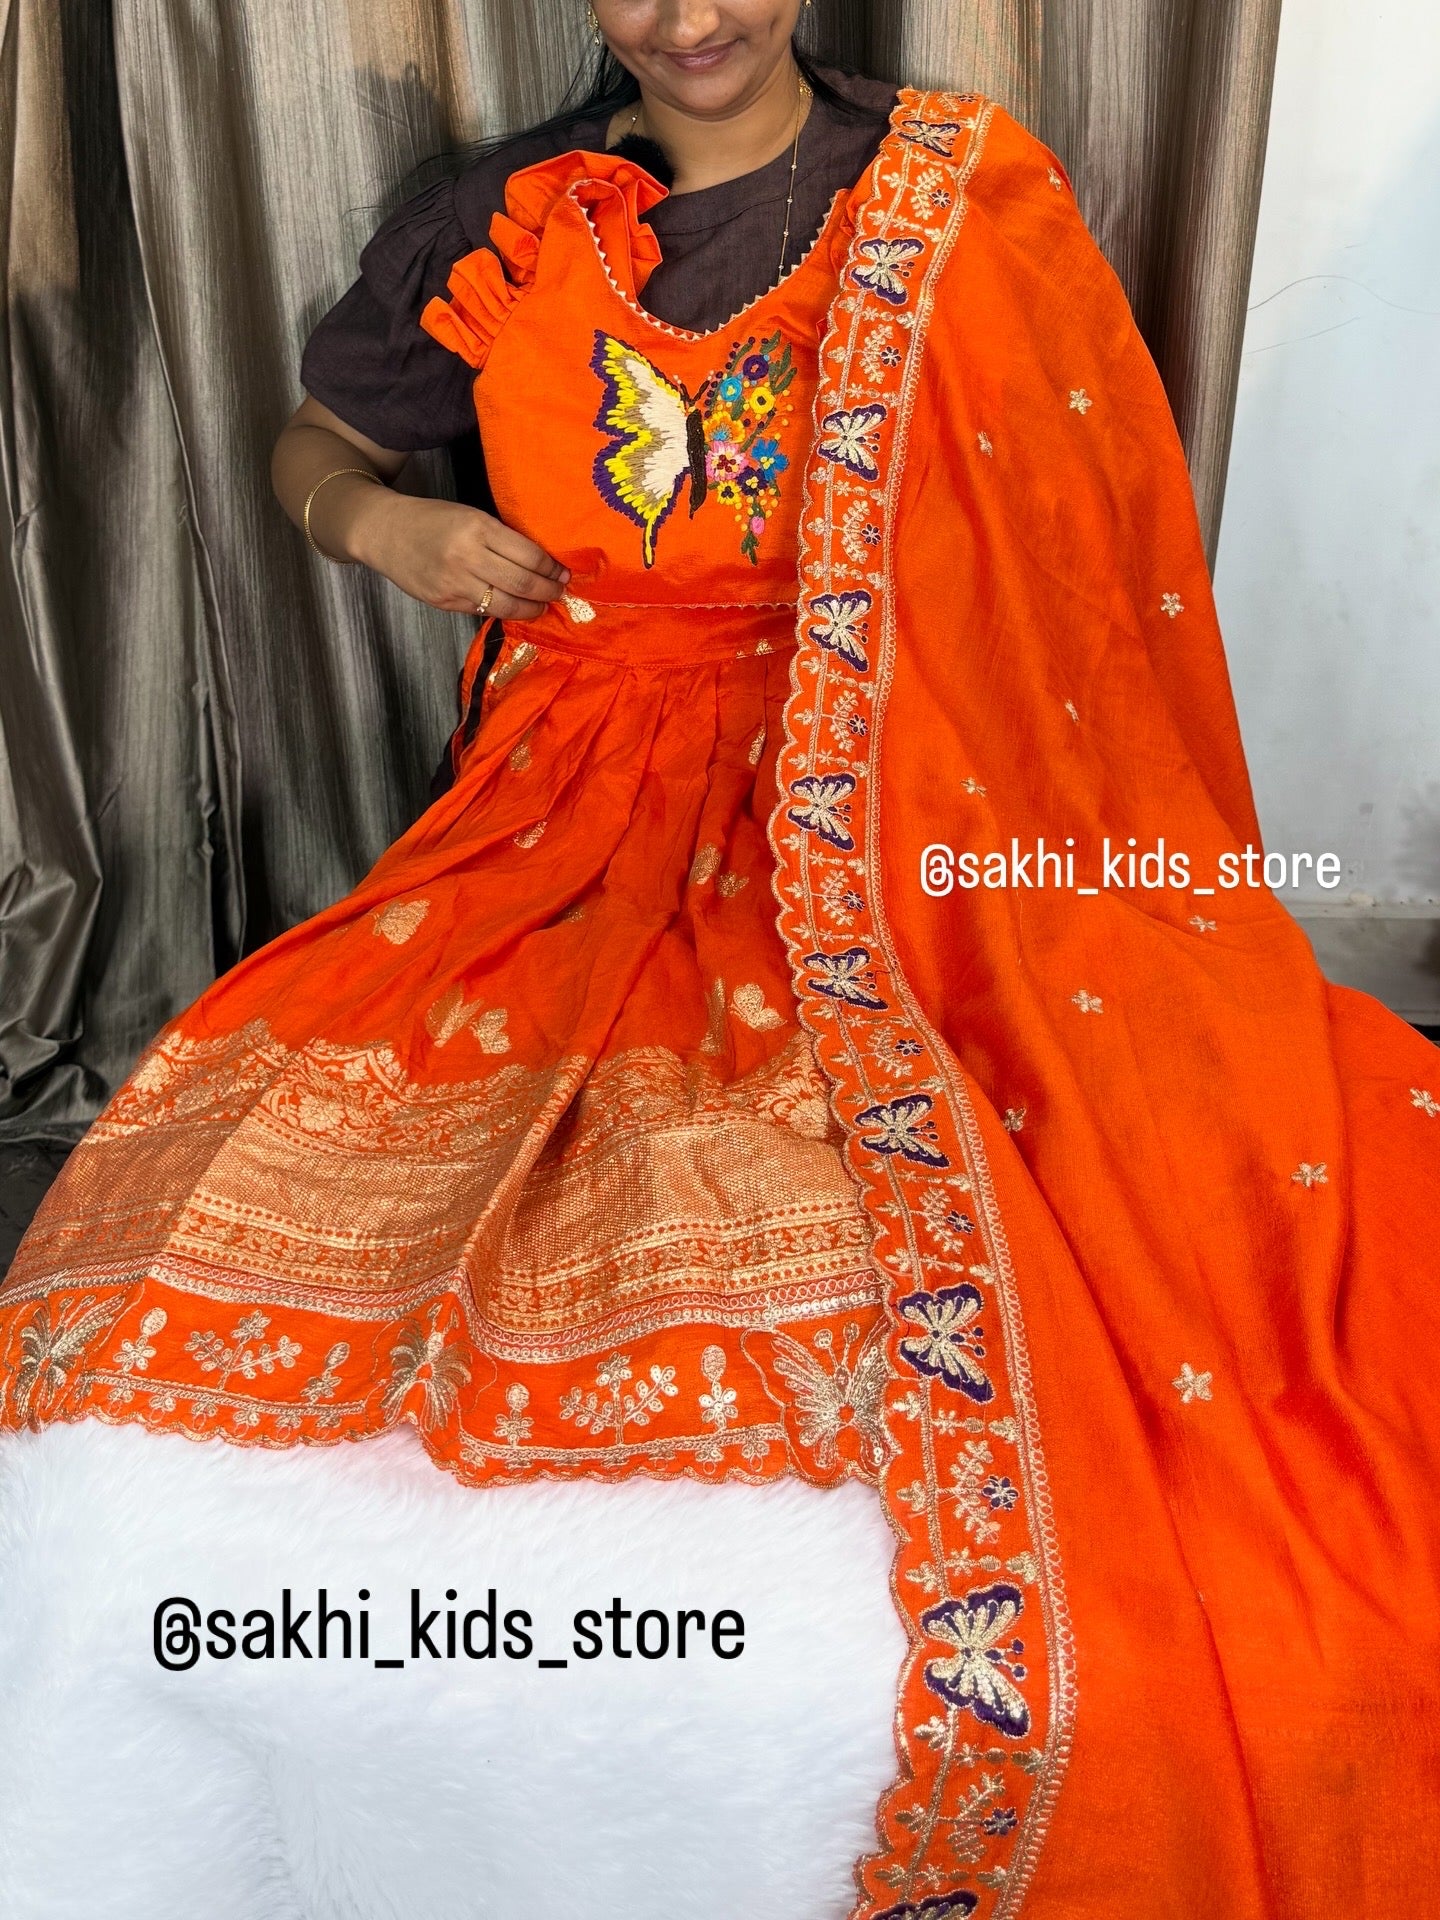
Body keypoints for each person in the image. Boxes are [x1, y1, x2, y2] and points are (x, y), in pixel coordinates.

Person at [2, 2, 1439, 1915]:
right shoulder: (505, 217)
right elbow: (315, 440)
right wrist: (379, 521)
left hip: (887, 773)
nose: (689, 18)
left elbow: (1068, 550)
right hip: (566, 793)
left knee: (1135, 1131)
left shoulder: (946, 196)